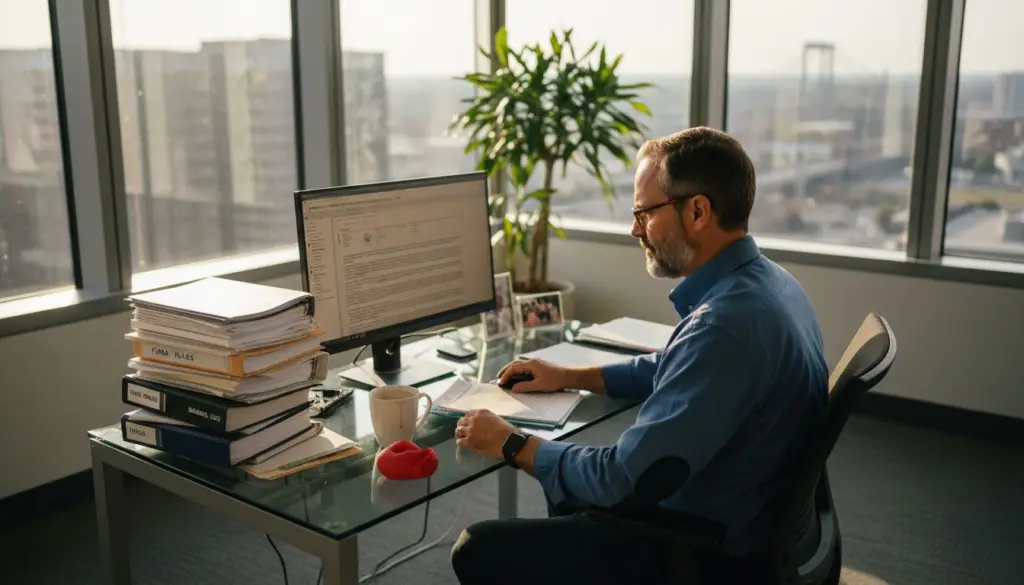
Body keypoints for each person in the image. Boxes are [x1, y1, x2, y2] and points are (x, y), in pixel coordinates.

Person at [450, 127, 829, 584]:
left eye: (645, 212)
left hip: (702, 549)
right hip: (755, 518)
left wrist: (511, 443)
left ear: (698, 211)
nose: (634, 228)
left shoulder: (723, 328)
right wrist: (573, 375)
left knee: (478, 548)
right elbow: (678, 366)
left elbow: (622, 479)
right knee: (566, 492)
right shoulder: (773, 286)